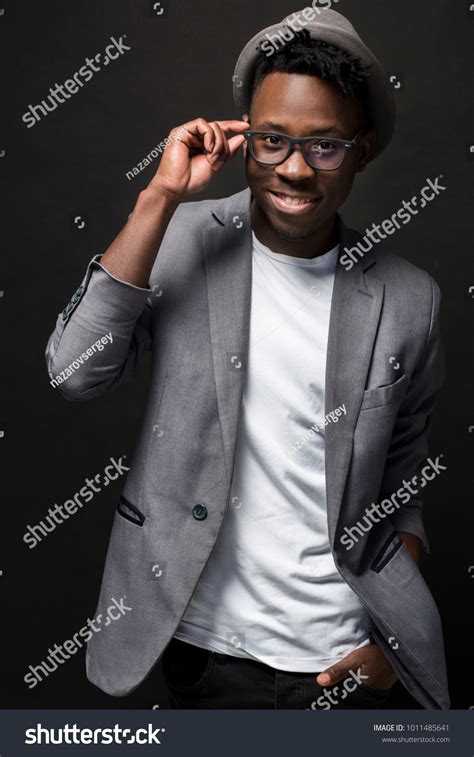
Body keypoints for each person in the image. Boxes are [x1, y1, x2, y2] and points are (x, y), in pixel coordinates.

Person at [46, 7, 449, 709]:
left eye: (324, 146)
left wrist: (387, 642)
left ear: (362, 147)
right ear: (245, 139)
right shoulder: (179, 238)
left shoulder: (410, 299)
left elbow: (402, 485)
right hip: (206, 651)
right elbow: (75, 372)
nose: (293, 169)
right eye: (271, 142)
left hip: (341, 660)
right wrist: (160, 196)